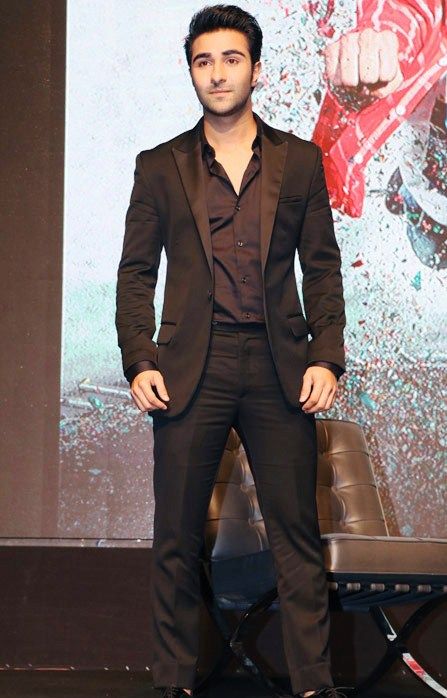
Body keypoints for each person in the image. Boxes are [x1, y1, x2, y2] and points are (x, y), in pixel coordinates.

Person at [115, 5, 347, 697]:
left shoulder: (299, 161)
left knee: (295, 535)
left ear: (256, 69)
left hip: (280, 368)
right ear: (191, 70)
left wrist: (325, 357)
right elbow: (135, 274)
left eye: (231, 59)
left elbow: (322, 269)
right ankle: (174, 682)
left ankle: (313, 684)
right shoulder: (159, 166)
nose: (217, 73)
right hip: (192, 368)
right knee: (177, 536)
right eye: (203, 61)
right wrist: (140, 359)